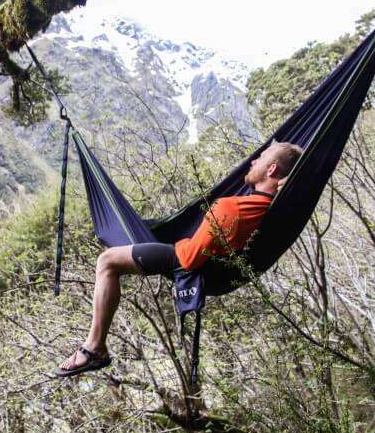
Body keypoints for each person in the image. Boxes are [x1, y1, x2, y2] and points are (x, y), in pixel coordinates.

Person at [54, 141, 304, 377]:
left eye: (259, 159)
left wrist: (176, 242)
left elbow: (190, 258)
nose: (252, 163)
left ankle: (95, 347)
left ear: (271, 169)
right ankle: (95, 345)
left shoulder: (232, 208)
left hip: (194, 265)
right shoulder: (274, 207)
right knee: (135, 237)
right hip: (218, 269)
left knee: (107, 261)